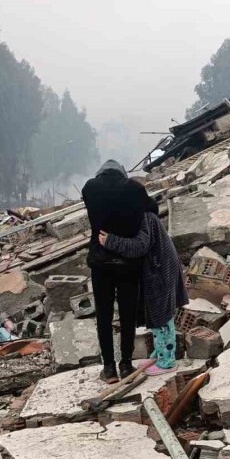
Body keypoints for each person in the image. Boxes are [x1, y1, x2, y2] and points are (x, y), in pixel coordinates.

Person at [82, 160, 158, 380]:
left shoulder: (90, 188)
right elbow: (153, 208)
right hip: (128, 263)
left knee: (104, 316)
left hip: (100, 263)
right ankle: (125, 364)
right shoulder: (135, 189)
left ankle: (108, 367)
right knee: (127, 316)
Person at [98, 209, 188, 374]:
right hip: (160, 269)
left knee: (162, 318)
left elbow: (139, 246)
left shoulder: (143, 216)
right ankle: (159, 354)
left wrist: (111, 241)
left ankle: (167, 361)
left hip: (160, 272)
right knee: (157, 317)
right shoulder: (141, 212)